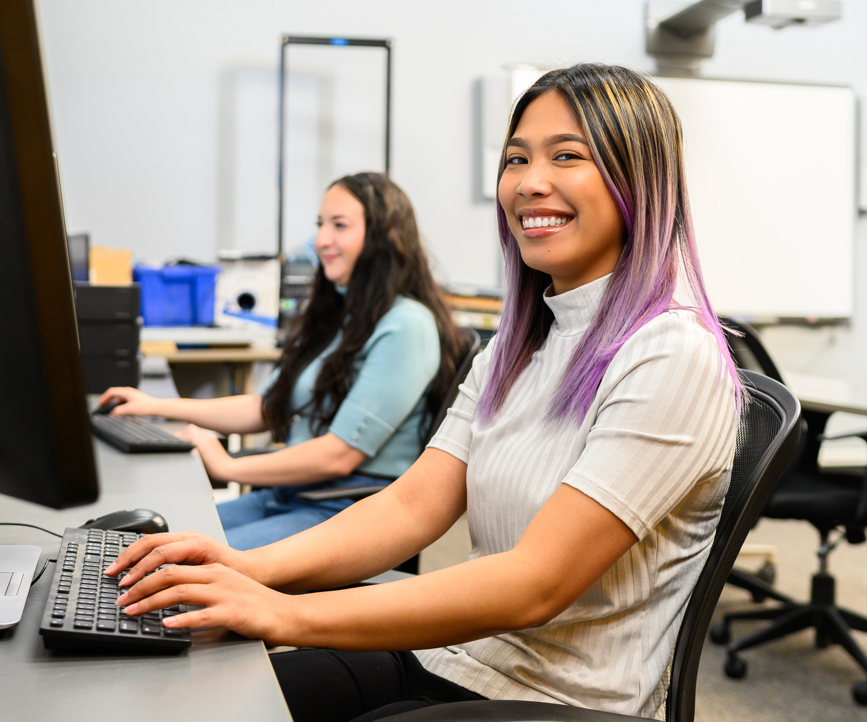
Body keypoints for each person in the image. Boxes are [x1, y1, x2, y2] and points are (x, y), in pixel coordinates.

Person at [105, 63, 746, 721]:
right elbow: (413, 505)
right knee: (208, 696)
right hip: (458, 657)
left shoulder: (671, 355)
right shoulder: (518, 343)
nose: (529, 183)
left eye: (567, 157)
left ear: (639, 180)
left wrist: (284, 612)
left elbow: (535, 583)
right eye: (516, 158)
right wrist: (249, 568)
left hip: (560, 699)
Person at [99, 172, 467, 550]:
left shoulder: (407, 326)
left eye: (339, 226)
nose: (321, 240)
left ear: (383, 237)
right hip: (292, 495)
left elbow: (338, 455)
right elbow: (265, 406)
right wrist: (157, 407)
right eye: (320, 225)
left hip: (346, 510)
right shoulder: (344, 317)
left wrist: (227, 466)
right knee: (129, 541)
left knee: (171, 558)